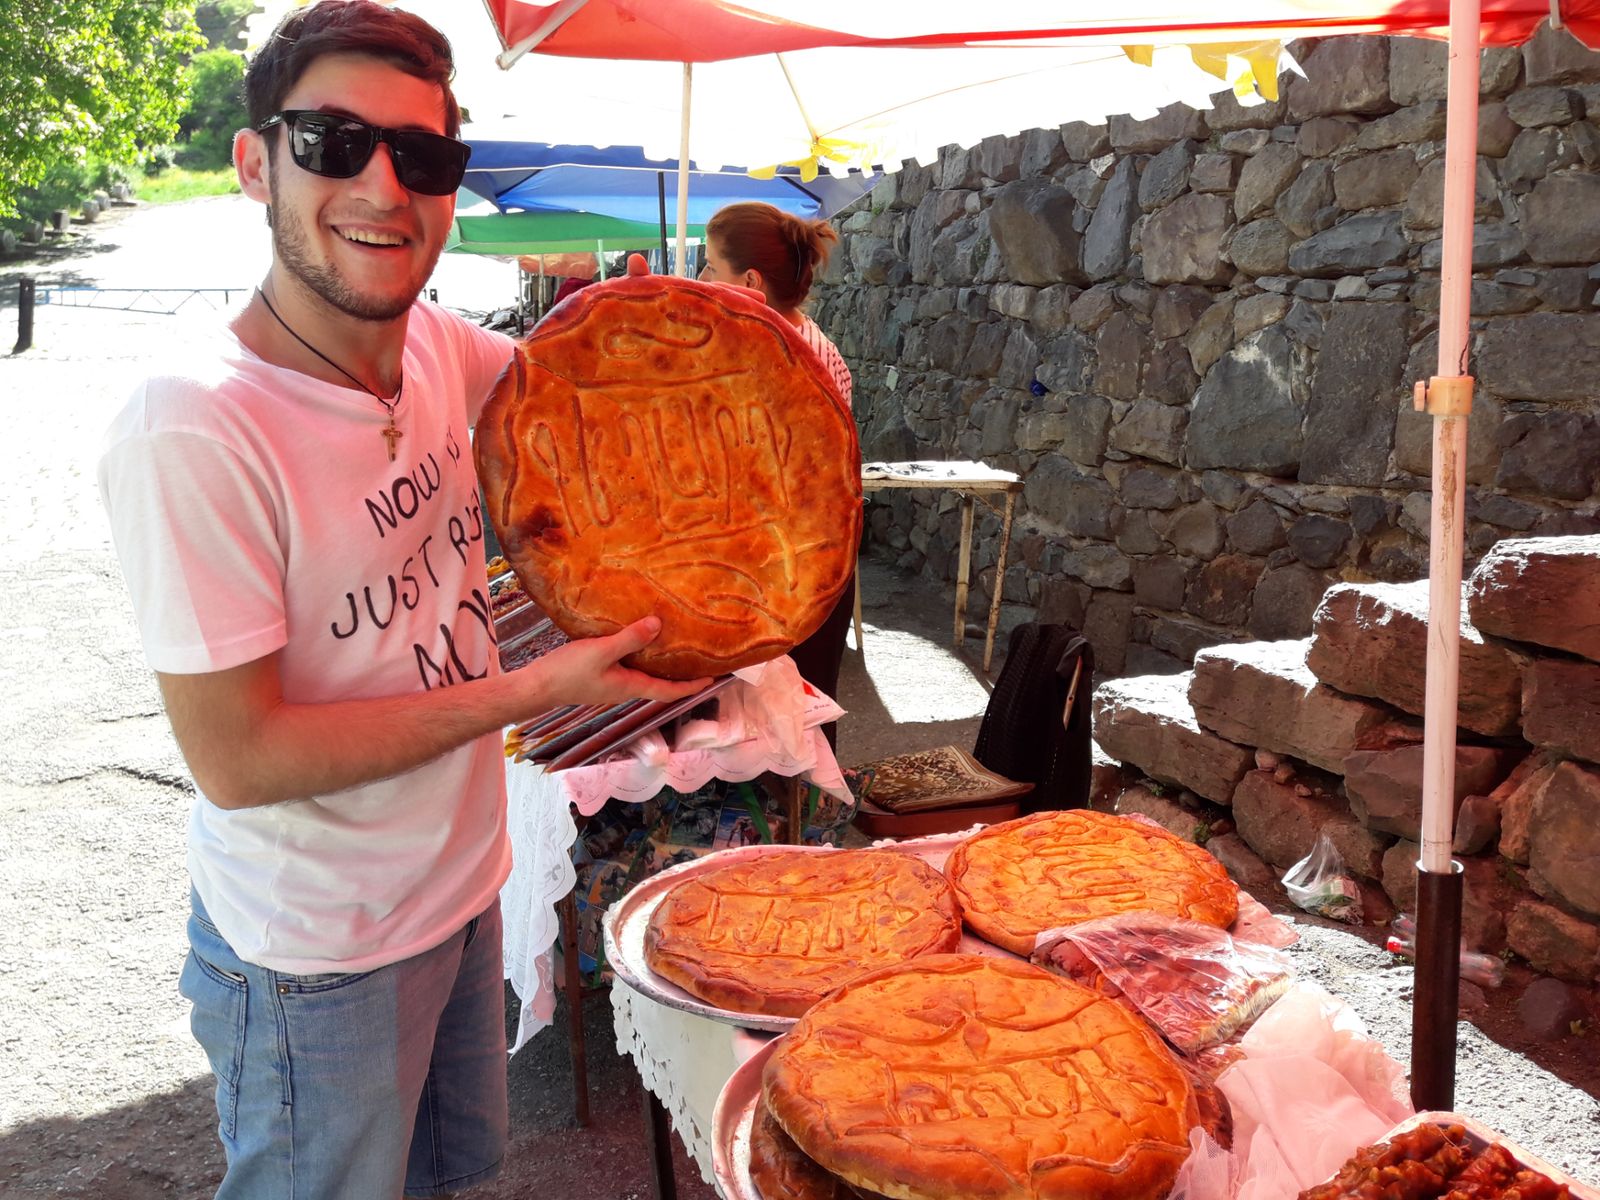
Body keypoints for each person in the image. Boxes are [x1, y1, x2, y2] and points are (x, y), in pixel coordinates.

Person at [96, 4, 706, 1197]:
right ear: (253, 161)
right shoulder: (197, 422)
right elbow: (240, 757)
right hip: (316, 956)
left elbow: (593, 393)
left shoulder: (433, 346)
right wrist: (529, 693)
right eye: (331, 141)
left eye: (422, 156)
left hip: (460, 892)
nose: (382, 183)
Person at [699, 202, 856, 744]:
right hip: (813, 567)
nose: (702, 280)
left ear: (749, 281)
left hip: (781, 573)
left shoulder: (771, 359)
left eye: (710, 268)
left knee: (771, 735)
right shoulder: (817, 343)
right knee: (801, 726)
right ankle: (805, 824)